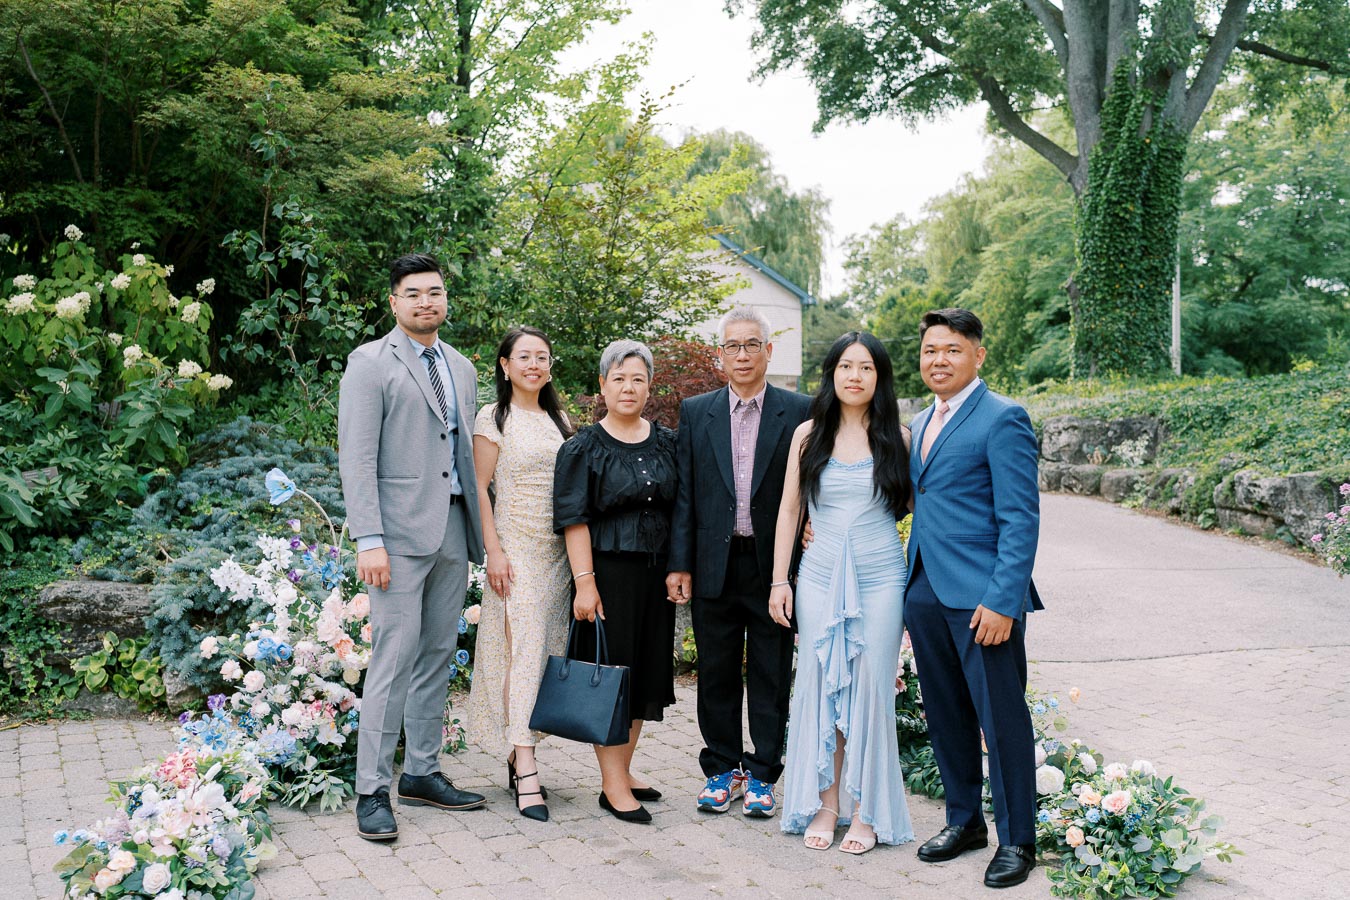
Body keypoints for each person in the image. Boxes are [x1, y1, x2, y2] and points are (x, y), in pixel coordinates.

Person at [338, 253, 487, 842]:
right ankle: (371, 788)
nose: (427, 302)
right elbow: (357, 457)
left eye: (436, 292)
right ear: (394, 302)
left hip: (452, 527)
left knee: (437, 654)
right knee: (393, 659)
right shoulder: (369, 364)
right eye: (414, 293)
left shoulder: (462, 367)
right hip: (395, 537)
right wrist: (369, 539)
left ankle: (422, 772)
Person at [904, 308, 1042, 889]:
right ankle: (964, 823)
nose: (940, 360)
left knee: (1001, 720)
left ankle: (1017, 840)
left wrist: (1003, 600)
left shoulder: (1003, 418)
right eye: (931, 350)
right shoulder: (919, 420)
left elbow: (1021, 519)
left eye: (953, 350)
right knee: (945, 715)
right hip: (925, 591)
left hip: (983, 598)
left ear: (978, 355)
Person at [768, 332, 914, 855]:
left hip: (880, 576)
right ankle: (826, 805)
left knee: (871, 689)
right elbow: (790, 509)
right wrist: (779, 579)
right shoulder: (809, 435)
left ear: (880, 377)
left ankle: (867, 810)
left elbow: (920, 510)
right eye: (846, 366)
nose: (855, 376)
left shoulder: (899, 436)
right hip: (820, 573)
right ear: (832, 374)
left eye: (867, 368)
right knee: (819, 683)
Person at [666, 307, 810, 818]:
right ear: (719, 355)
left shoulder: (799, 410)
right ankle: (722, 769)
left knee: (772, 672)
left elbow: (812, 483)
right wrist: (678, 564)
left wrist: (812, 524)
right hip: (713, 563)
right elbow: (686, 494)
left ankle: (764, 774)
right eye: (733, 346)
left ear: (769, 351)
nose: (742, 354)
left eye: (752, 345)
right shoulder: (697, 411)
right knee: (717, 671)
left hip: (774, 568)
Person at [553, 340, 678, 824]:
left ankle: (622, 769)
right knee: (612, 674)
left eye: (638, 379)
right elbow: (573, 518)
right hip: (607, 575)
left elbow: (680, 507)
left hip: (655, 576)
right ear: (602, 384)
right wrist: (585, 584)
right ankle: (610, 786)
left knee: (644, 673)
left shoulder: (668, 441)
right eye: (619, 378)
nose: (629, 388)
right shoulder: (582, 447)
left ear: (650, 385)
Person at [466, 326, 574, 822]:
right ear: (505, 365)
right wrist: (494, 551)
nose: (535, 364)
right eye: (524, 356)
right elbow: (480, 489)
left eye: (543, 357)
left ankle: (519, 748)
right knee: (523, 651)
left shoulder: (559, 418)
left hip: (558, 554)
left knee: (544, 650)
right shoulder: (493, 417)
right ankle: (525, 764)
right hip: (517, 549)